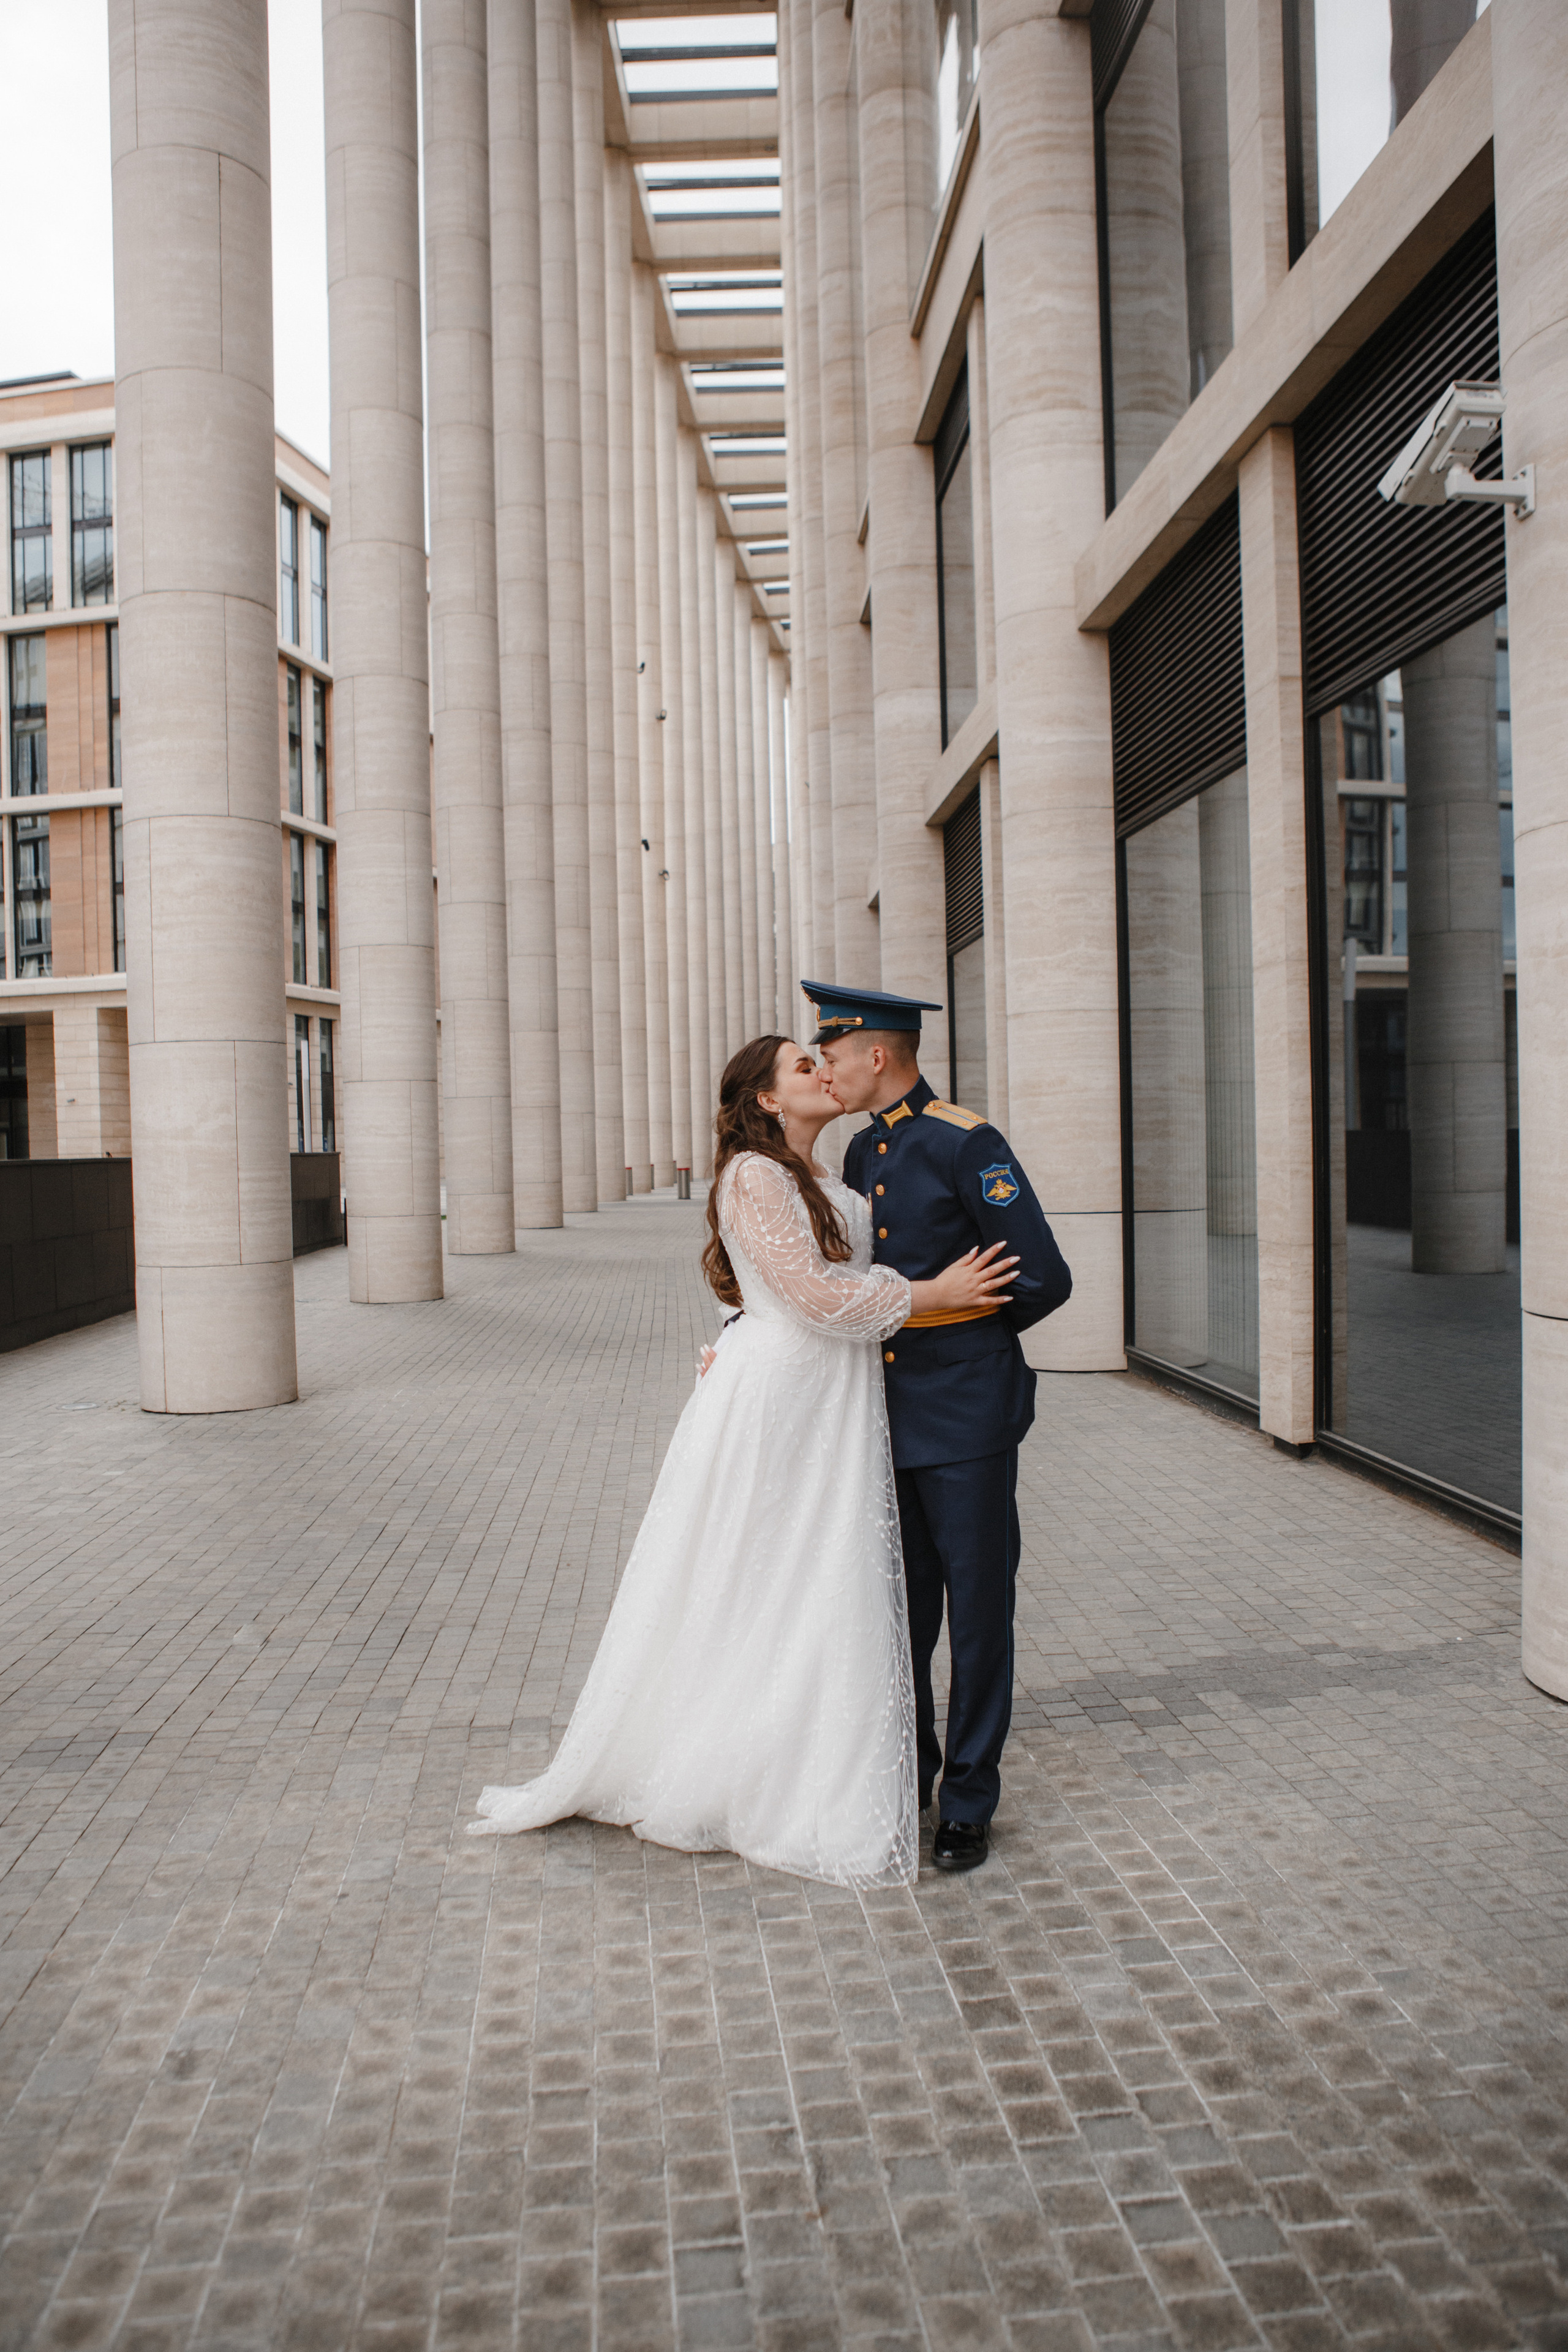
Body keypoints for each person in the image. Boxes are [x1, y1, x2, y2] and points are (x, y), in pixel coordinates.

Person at [468, 1033, 1019, 1887]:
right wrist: (931, 1297)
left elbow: (779, 1289)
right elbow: (806, 1294)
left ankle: (824, 1754)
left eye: (823, 1059)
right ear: (766, 1099)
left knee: (812, 1579)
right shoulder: (755, 1175)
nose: (822, 1072)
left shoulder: (836, 1170)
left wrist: (734, 1330)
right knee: (764, 1574)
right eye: (804, 1067)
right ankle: (749, 1761)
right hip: (789, 1399)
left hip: (832, 1397)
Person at [813, 981, 1072, 1875]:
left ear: (876, 1055)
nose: (826, 1070)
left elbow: (1041, 1278)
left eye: (834, 1054)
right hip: (883, 1419)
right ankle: (908, 1776)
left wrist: (953, 1337)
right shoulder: (857, 1155)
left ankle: (967, 1798)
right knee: (904, 1611)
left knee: (978, 1612)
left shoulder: (968, 1143)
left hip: (965, 1420)